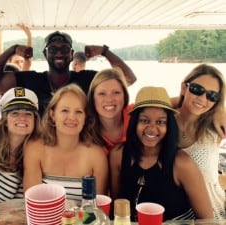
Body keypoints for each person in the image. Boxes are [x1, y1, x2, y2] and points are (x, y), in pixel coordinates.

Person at [110, 86, 213, 221]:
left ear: (169, 126)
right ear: (134, 123)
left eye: (160, 122)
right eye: (144, 120)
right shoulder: (118, 155)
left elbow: (207, 220)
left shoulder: (182, 163)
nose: (152, 129)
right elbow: (118, 207)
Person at [0, 30, 137, 116]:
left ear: (72, 53)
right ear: (45, 53)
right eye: (53, 49)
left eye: (65, 49)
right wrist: (11, 50)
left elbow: (127, 79)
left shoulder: (86, 79)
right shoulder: (31, 80)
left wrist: (104, 51)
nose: (59, 54)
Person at [23, 84, 108, 204]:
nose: (72, 117)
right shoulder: (35, 148)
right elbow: (32, 203)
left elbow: (98, 208)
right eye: (64, 110)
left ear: (85, 117)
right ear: (53, 115)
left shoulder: (97, 155)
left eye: (79, 111)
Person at [175, 64, 226, 219]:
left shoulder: (215, 128)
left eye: (212, 96)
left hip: (215, 211)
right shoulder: (163, 123)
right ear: (184, 87)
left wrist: (218, 110)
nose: (203, 98)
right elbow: (144, 103)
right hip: (177, 214)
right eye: (197, 89)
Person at [0, 24, 33, 122]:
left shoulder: (21, 84)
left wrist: (29, 36)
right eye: (17, 62)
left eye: (21, 62)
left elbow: (28, 61)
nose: (20, 65)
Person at [88, 67, 132, 154]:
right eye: (102, 94)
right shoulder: (86, 131)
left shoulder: (137, 114)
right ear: (92, 98)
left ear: (125, 96)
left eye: (116, 92)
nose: (109, 99)